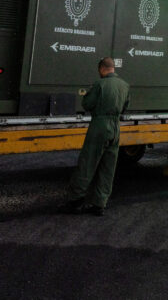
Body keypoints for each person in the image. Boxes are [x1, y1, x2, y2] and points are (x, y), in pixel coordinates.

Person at [59, 57, 131, 216]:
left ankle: (75, 200)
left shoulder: (100, 84)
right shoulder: (125, 85)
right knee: (108, 166)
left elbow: (87, 104)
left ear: (102, 69)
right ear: (113, 68)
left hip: (100, 125)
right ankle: (99, 204)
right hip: (115, 127)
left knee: (88, 163)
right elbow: (125, 106)